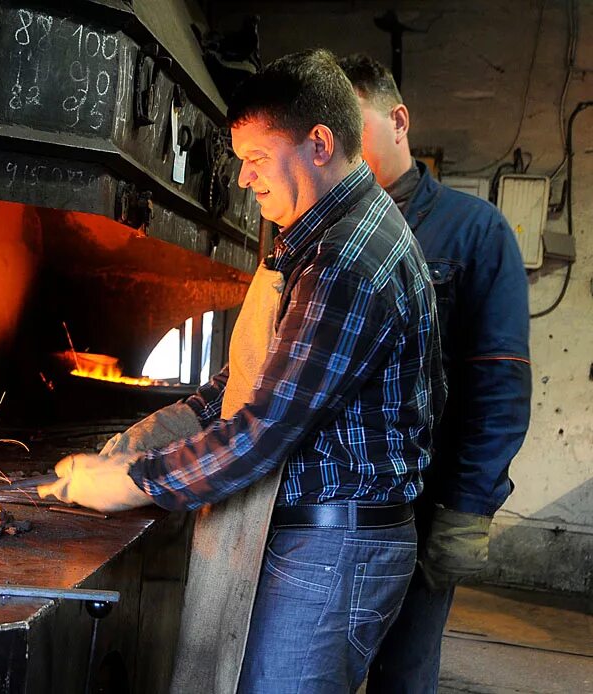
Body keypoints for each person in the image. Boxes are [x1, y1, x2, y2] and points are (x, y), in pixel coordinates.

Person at [40, 48, 446, 692]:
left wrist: (132, 483)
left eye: (255, 160)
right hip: (322, 546)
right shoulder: (314, 241)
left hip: (331, 554)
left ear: (318, 143)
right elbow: (248, 382)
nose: (242, 181)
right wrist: (159, 429)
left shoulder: (346, 259)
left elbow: (266, 427)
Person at [338, 54, 532, 693]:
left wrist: (467, 508)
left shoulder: (476, 232)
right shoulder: (325, 232)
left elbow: (499, 383)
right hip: (331, 503)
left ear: (398, 120)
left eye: (352, 126)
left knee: (403, 671)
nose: (338, 148)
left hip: (424, 502)